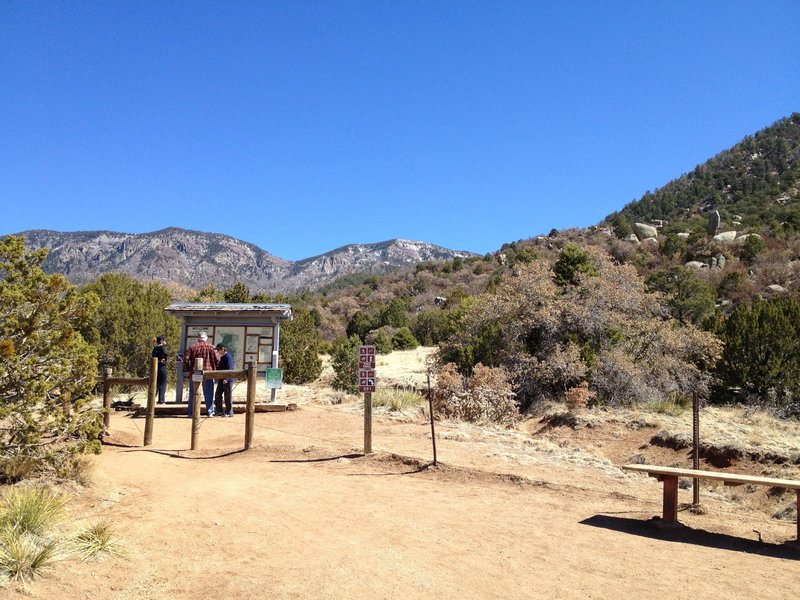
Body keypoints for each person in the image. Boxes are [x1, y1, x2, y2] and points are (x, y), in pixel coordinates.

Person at [183, 332, 219, 417]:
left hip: (195, 372)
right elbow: (217, 360)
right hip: (208, 373)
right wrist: (216, 371)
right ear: (206, 338)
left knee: (193, 393)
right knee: (209, 393)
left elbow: (186, 360)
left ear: (198, 338)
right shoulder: (212, 347)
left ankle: (191, 413)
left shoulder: (192, 347)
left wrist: (188, 370)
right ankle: (210, 412)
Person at [214, 343, 234, 417]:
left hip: (227, 380)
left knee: (227, 396)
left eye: (218, 349)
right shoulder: (223, 357)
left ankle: (229, 412)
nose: (218, 351)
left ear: (223, 349)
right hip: (222, 379)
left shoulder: (228, 356)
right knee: (218, 394)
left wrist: (227, 378)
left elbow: (229, 368)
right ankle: (219, 411)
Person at [151, 335, 168, 404]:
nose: (165, 341)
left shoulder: (155, 348)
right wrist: (165, 360)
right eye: (164, 340)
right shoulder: (162, 348)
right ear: (161, 341)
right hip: (162, 367)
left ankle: (152, 399)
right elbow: (165, 354)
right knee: (163, 383)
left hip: (155, 368)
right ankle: (161, 400)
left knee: (156, 383)